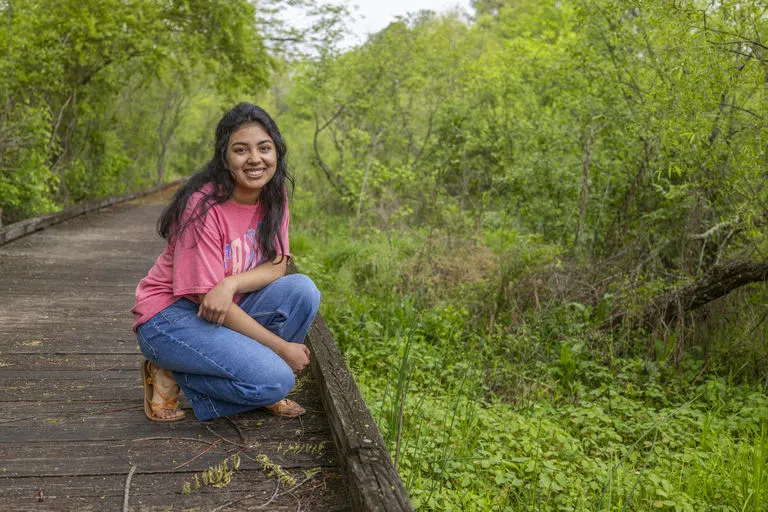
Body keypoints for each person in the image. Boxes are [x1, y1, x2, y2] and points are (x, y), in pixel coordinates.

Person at [131, 103, 320, 422]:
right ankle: (172, 373)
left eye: (264, 148)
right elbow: (210, 302)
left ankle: (257, 380)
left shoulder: (273, 197)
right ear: (224, 157)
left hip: (226, 305)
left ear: (276, 151)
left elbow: (277, 264)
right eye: (241, 150)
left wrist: (230, 283)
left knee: (303, 290)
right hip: (169, 318)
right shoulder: (202, 207)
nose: (255, 159)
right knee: (278, 379)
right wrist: (281, 349)